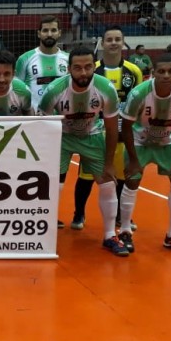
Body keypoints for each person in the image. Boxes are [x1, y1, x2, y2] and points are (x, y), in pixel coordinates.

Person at [39, 46, 128, 257]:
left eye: (88, 67)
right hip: (62, 137)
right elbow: (42, 125)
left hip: (93, 136)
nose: (83, 72)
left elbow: (112, 127)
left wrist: (109, 164)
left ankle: (109, 235)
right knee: (53, 184)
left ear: (94, 67)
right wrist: (44, 159)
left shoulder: (105, 88)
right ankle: (43, 234)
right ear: (69, 69)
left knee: (107, 184)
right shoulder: (54, 90)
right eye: (77, 68)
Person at [117, 53, 171, 255]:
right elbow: (126, 127)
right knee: (132, 179)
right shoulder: (139, 93)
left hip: (168, 142)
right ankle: (125, 230)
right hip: (139, 142)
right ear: (153, 73)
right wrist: (133, 160)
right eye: (161, 71)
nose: (166, 75)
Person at [71, 26, 143, 231]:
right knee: (86, 178)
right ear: (102, 43)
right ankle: (78, 214)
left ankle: (120, 215)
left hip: (121, 134)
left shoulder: (134, 71)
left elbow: (136, 101)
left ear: (123, 42)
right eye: (109, 39)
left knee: (119, 177)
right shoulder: (91, 68)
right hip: (94, 133)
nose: (113, 43)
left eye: (117, 39)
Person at [15, 15, 69, 113]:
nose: (49, 34)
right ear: (39, 34)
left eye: (53, 30)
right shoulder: (24, 59)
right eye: (45, 30)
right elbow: (17, 90)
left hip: (61, 118)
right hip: (34, 118)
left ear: (59, 33)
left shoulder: (68, 59)